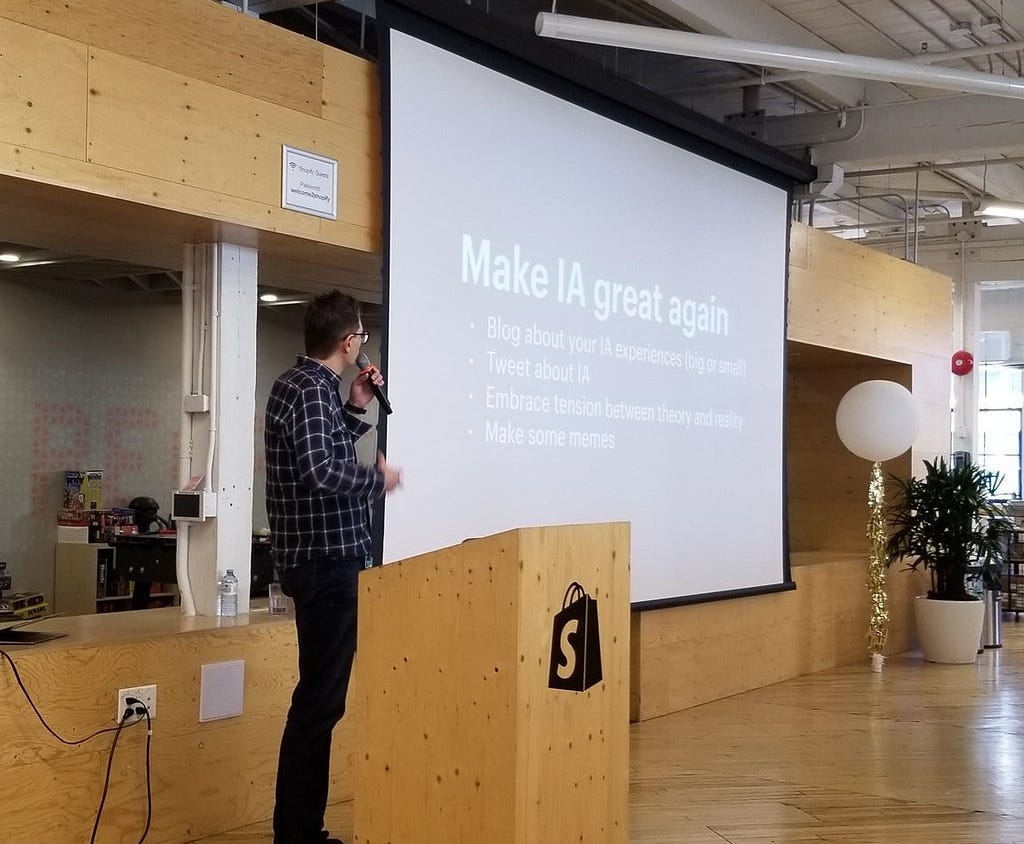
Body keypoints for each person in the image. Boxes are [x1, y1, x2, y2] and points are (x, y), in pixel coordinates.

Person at [265, 290, 401, 844]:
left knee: (319, 700)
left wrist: (356, 405)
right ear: (349, 342)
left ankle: (300, 829)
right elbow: (323, 474)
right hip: (326, 565)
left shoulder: (300, 388)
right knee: (319, 705)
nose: (362, 344)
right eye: (362, 336)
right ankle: (299, 834)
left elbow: (315, 458)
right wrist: (379, 480)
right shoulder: (311, 391)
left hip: (316, 562)